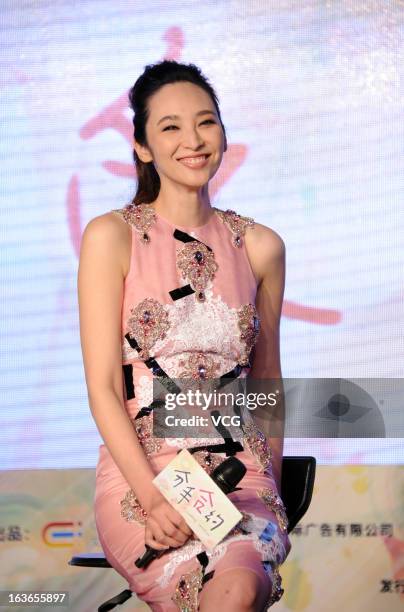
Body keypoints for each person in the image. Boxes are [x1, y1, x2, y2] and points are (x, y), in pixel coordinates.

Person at [77, 59, 291, 611]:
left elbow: (267, 379)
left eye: (206, 122)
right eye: (170, 127)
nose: (193, 140)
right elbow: (103, 387)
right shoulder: (112, 236)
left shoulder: (261, 246)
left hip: (240, 474)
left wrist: (273, 486)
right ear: (143, 147)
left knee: (239, 586)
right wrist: (152, 499)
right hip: (143, 471)